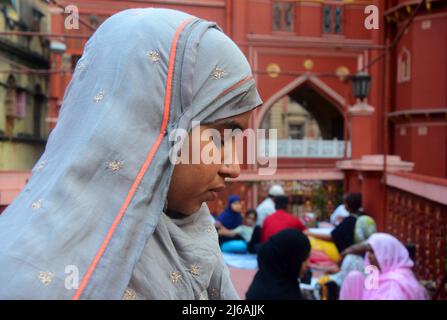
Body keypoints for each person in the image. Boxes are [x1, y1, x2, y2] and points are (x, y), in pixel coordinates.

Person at [0, 8, 262, 299]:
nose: (233, 167)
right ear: (152, 123)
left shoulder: (195, 237)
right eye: (221, 137)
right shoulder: (29, 279)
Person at [340, 233, 427, 300]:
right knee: (354, 277)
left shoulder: (393, 288)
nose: (369, 256)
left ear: (387, 255)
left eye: (373, 252)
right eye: (369, 251)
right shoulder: (381, 277)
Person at [246, 229, 311, 300]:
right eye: (304, 259)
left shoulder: (264, 280)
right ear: (289, 260)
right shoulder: (283, 295)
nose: (308, 265)